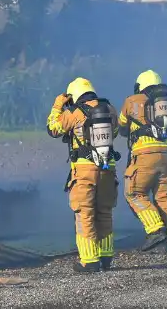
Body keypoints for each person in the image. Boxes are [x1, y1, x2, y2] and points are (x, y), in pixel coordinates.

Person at [46, 77, 120, 272]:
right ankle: (105, 257)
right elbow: (117, 131)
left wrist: (57, 106)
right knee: (104, 212)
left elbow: (53, 129)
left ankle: (89, 260)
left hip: (85, 170)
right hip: (108, 167)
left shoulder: (75, 112)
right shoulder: (109, 109)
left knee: (85, 213)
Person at [118, 70, 167, 253]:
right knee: (164, 197)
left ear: (140, 86)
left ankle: (155, 230)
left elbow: (122, 127)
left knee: (134, 193)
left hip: (144, 154)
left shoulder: (131, 101)